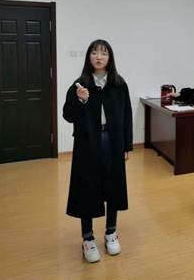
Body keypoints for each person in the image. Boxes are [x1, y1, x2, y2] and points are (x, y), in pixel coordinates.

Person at [63, 40, 133, 263]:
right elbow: (67, 115)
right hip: (87, 144)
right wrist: (80, 100)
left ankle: (111, 232)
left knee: (112, 187)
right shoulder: (80, 84)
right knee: (88, 188)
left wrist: (127, 145)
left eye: (103, 53)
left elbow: (127, 116)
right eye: (94, 53)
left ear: (110, 58)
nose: (99, 57)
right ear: (89, 57)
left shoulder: (119, 84)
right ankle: (88, 238)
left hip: (113, 141)